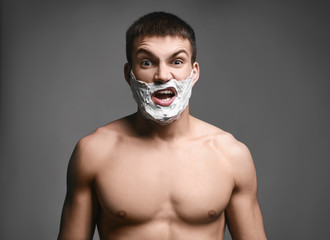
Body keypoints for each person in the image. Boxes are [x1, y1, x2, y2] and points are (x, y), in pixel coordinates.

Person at [57, 11, 267, 240]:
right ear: (129, 74)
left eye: (176, 61)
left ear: (193, 72)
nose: (163, 75)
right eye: (147, 62)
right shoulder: (94, 152)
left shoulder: (231, 155)